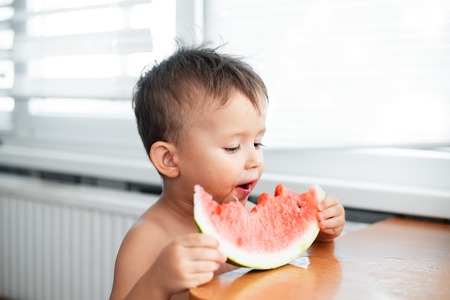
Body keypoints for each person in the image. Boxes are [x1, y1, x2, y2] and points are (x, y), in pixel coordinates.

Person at [109, 44, 346, 300]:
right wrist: (157, 281)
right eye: (233, 147)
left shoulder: (246, 213)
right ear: (169, 159)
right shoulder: (148, 238)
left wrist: (319, 233)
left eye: (257, 143)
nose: (254, 160)